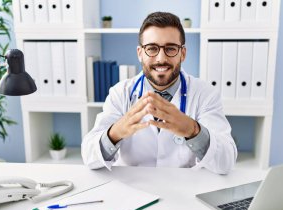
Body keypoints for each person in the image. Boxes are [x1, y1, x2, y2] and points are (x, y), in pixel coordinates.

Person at [81, 12, 237, 174]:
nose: (161, 58)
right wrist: (115, 133)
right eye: (152, 49)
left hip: (184, 191)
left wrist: (193, 130)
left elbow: (226, 162)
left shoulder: (205, 94)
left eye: (170, 48)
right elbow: (89, 157)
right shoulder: (120, 93)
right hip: (134, 190)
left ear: (182, 53)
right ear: (140, 53)